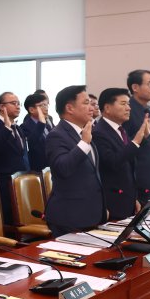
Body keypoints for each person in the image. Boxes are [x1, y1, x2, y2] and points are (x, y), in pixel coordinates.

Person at [44, 85, 106, 237]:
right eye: (86, 103)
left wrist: (102, 207)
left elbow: (91, 174)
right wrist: (84, 143)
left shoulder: (83, 132)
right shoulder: (56, 135)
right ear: (69, 108)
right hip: (70, 216)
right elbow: (63, 168)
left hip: (91, 213)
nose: (91, 107)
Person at [92, 88, 150, 220]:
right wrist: (136, 140)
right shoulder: (98, 132)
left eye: (129, 104)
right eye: (123, 104)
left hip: (127, 200)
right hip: (112, 203)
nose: (129, 108)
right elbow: (113, 162)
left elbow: (128, 161)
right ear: (107, 108)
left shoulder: (120, 130)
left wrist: (133, 198)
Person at [0, 92, 29, 224]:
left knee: (20, 219)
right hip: (4, 181)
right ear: (2, 107)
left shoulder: (17, 128)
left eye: (18, 103)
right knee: (8, 220)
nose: (18, 106)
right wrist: (7, 129)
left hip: (18, 180)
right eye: (14, 103)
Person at [122, 69, 150, 203]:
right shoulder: (127, 110)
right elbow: (125, 145)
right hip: (138, 178)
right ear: (135, 87)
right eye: (149, 83)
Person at [20, 92, 52, 171]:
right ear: (31, 109)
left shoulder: (48, 124)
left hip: (51, 168)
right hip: (37, 170)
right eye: (41, 105)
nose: (46, 108)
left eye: (46, 104)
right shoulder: (25, 127)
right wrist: (41, 124)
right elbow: (32, 144)